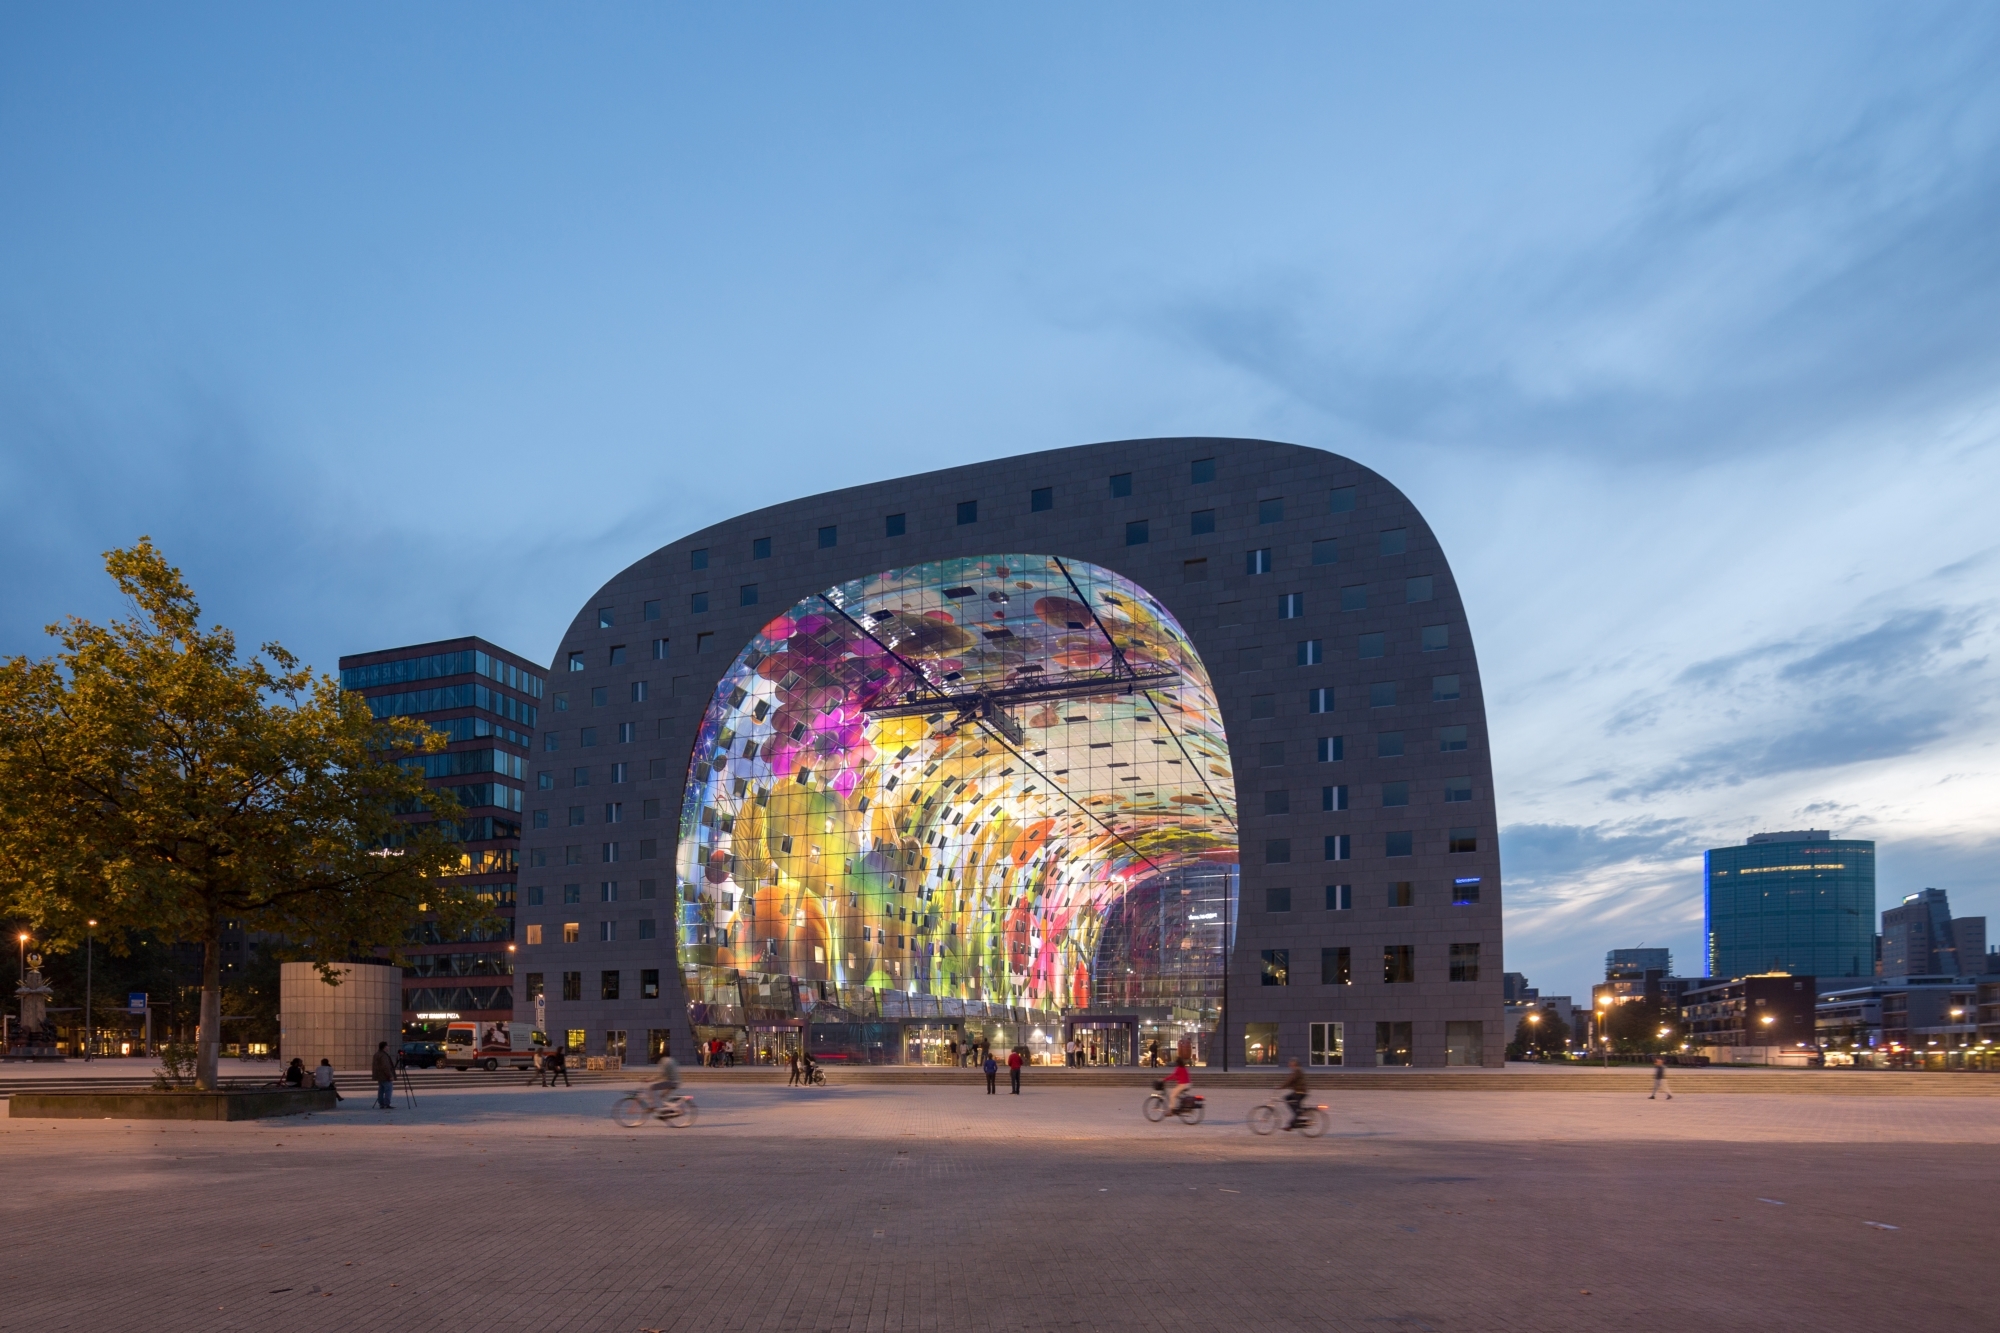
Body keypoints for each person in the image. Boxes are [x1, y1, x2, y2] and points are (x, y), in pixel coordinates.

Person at [1278, 1058, 1308, 1129]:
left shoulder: (1297, 1071)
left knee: (1294, 1106)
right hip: (1298, 1091)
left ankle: (1293, 1123)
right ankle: (1298, 1114)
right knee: (1288, 1099)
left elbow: (1290, 1080)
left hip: (1300, 1092)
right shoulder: (1296, 1070)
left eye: (1291, 1064)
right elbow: (1291, 1080)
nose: (1289, 1065)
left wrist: (1281, 1086)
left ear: (1294, 1064)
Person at [651, 1050, 682, 1116]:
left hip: (671, 1082)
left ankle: (674, 1109)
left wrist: (650, 1079)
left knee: (652, 1087)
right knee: (661, 1097)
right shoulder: (671, 1059)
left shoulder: (664, 1061)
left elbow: (661, 1074)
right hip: (676, 1081)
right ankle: (663, 1110)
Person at [371, 1041, 397, 1111]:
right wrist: (390, 1075)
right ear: (384, 1047)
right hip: (385, 1076)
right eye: (387, 1046)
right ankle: (386, 1104)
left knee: (381, 1090)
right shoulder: (384, 1055)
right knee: (388, 1089)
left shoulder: (376, 1054)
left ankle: (381, 1103)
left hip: (379, 1075)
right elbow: (385, 1066)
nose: (388, 1047)